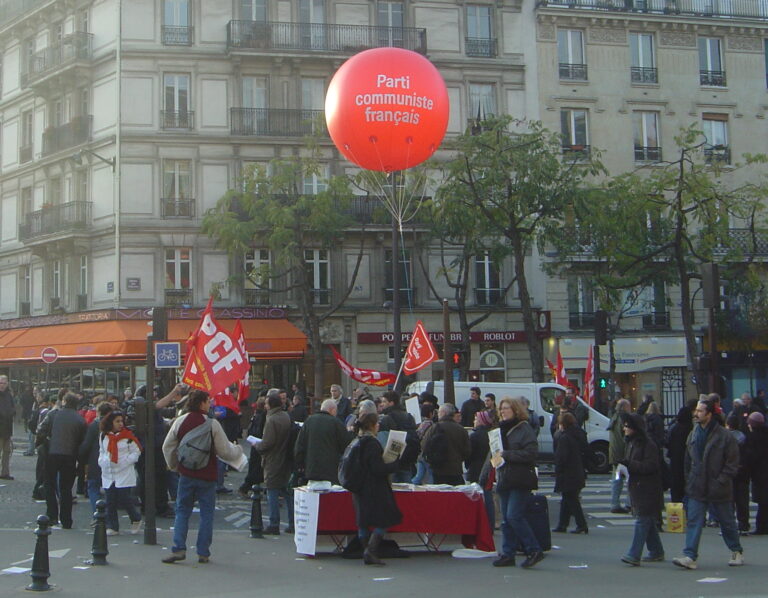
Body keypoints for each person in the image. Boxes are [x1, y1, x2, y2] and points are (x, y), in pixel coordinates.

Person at [162, 390, 245, 564]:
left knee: (182, 511)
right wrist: (238, 450)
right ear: (201, 403)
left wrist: (174, 465)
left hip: (186, 473)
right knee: (206, 514)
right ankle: (203, 552)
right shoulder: (212, 424)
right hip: (207, 474)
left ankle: (178, 548)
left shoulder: (180, 421)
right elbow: (224, 450)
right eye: (208, 401)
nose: (210, 404)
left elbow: (167, 446)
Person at [672, 399, 744, 570]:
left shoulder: (724, 435)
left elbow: (732, 463)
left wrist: (721, 480)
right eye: (696, 410)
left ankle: (736, 550)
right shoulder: (694, 433)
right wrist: (689, 479)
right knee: (694, 521)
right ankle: (690, 555)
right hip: (697, 485)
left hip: (718, 486)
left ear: (710, 414)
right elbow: (688, 460)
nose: (696, 414)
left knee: (726, 521)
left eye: (700, 411)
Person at [484, 397, 544, 569]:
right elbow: (495, 453)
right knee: (506, 520)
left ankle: (534, 549)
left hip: (520, 478)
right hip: (504, 476)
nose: (503, 411)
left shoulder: (524, 429)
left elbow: (531, 453)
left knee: (514, 515)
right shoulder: (500, 429)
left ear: (516, 410)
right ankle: (508, 553)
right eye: (501, 409)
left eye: (507, 408)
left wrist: (507, 454)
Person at [350, 412, 402, 565]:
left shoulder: (357, 441)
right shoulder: (372, 443)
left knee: (363, 521)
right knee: (384, 518)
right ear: (372, 426)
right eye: (377, 423)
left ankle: (366, 549)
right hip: (373, 487)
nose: (379, 425)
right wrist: (393, 464)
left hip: (358, 487)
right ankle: (370, 550)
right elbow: (377, 468)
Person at [619, 413, 665, 566]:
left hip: (648, 487)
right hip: (639, 485)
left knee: (643, 519)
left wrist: (630, 464)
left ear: (634, 428)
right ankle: (656, 550)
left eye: (627, 426)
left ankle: (634, 554)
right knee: (648, 520)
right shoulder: (632, 442)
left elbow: (651, 466)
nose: (624, 428)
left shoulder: (648, 444)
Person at [37, 392, 87, 528]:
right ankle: (66, 519)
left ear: (64, 401)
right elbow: (83, 441)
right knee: (66, 488)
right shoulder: (80, 420)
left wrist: (43, 443)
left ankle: (52, 515)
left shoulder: (53, 414)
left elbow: (40, 430)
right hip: (70, 456)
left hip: (52, 453)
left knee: (49, 484)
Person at [98, 410, 143, 536]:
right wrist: (102, 461)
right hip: (108, 472)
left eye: (121, 421)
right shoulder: (103, 436)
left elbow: (137, 451)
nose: (120, 424)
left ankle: (135, 518)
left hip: (124, 472)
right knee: (110, 500)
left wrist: (127, 461)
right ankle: (113, 526)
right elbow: (102, 451)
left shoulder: (128, 437)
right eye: (117, 421)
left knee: (124, 498)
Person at [257, 390, 294, 535]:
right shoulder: (285, 416)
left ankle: (274, 523)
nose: (265, 406)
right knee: (286, 492)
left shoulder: (271, 420)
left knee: (272, 490)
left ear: (270, 405)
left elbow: (268, 442)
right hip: (285, 457)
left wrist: (258, 446)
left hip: (273, 458)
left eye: (266, 403)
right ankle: (292, 523)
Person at [294, 398, 351, 483]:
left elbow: (299, 446)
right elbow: (346, 447)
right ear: (332, 410)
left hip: (311, 469)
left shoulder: (309, 421)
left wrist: (300, 465)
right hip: (331, 471)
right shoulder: (336, 423)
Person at [552, 411, 588, 535]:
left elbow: (562, 457)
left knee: (571, 500)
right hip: (577, 470)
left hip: (568, 473)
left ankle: (581, 524)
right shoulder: (577, 434)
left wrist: (558, 470)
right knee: (568, 499)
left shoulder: (564, 437)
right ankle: (563, 524)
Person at [421, 403, 470, 485]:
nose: (438, 414)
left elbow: (424, 445)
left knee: (439, 495)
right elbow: (467, 451)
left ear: (443, 413)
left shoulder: (435, 427)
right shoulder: (462, 430)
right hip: (456, 469)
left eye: (439, 412)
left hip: (438, 469)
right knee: (455, 495)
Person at [79, 402, 114, 514]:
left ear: (98, 412)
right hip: (112, 461)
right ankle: (109, 517)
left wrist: (81, 458)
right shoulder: (114, 425)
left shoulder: (94, 425)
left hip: (95, 460)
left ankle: (98, 515)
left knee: (93, 488)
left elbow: (86, 445)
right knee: (109, 491)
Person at [378, 390, 417, 483]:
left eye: (384, 401)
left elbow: (383, 441)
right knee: (407, 489)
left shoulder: (385, 419)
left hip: (392, 458)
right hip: (408, 457)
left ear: (391, 403)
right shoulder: (408, 416)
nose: (382, 404)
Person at [467, 410, 495, 530]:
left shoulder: (475, 436)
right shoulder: (491, 434)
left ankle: (481, 524)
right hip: (488, 467)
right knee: (487, 495)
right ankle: (490, 523)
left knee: (477, 496)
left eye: (476, 419)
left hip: (475, 468)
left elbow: (469, 453)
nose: (474, 421)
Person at [725, 413, 750, 535]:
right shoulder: (743, 438)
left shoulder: (725, 438)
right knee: (742, 501)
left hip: (729, 473)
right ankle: (743, 525)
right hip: (742, 473)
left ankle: (730, 526)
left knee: (729, 501)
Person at [667, 399, 696, 503]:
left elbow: (668, 442)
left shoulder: (674, 428)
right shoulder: (690, 429)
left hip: (675, 461)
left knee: (676, 488)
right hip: (686, 460)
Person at [745, 411, 768, 534]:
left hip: (759, 474)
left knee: (762, 502)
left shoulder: (752, 438)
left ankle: (762, 527)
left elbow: (751, 457)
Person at [609, 399, 631, 514]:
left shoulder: (614, 417)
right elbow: (626, 437)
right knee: (629, 479)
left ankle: (615, 503)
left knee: (617, 480)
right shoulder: (624, 418)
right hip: (623, 454)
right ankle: (629, 503)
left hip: (615, 454)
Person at [411, 403, 435, 485]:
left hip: (420, 453)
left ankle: (411, 485)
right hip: (426, 453)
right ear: (431, 413)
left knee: (419, 475)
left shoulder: (421, 424)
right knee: (431, 474)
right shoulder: (430, 424)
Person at [0, 375, 16, 480]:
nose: (2, 385)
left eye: (4, 383)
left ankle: (5, 473)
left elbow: (13, 408)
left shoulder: (9, 395)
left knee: (7, 452)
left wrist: (12, 413)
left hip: (7, 428)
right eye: (1, 383)